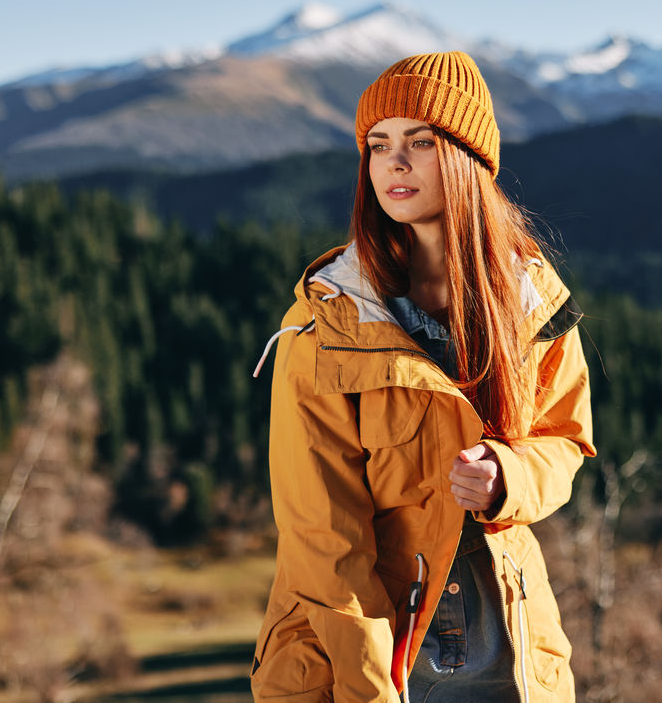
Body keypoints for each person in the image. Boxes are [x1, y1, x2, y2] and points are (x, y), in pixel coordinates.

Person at [250, 51, 594, 702]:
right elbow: (321, 540)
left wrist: (509, 476)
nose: (393, 163)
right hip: (368, 659)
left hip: (511, 655)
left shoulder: (533, 301)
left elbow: (565, 438)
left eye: (420, 142)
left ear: (468, 159)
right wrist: (372, 689)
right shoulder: (325, 323)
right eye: (378, 146)